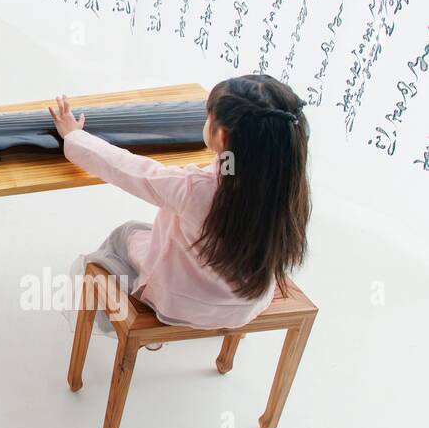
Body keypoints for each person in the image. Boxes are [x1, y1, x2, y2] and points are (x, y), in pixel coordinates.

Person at [49, 74, 310, 340]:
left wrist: (75, 137)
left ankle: (132, 315)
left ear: (221, 135)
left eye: (209, 117)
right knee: (172, 235)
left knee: (126, 234)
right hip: (247, 304)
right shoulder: (287, 185)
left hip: (181, 302)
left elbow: (128, 169)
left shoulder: (195, 189)